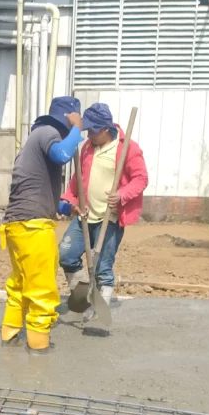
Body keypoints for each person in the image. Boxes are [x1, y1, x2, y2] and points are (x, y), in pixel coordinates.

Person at [0, 96, 83, 352]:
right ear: (66, 121)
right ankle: (39, 349)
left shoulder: (33, 142)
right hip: (33, 228)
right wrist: (77, 129)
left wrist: (66, 207)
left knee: (20, 285)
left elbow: (36, 189)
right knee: (42, 290)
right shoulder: (48, 133)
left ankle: (9, 335)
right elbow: (63, 154)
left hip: (16, 226)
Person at [58, 102, 148, 303]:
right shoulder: (88, 148)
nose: (88, 135)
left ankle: (101, 307)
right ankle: (82, 297)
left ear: (106, 129)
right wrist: (67, 199)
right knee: (66, 254)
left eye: (93, 130)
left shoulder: (127, 149)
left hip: (109, 218)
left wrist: (122, 195)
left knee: (101, 267)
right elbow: (78, 179)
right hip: (84, 215)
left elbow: (141, 179)